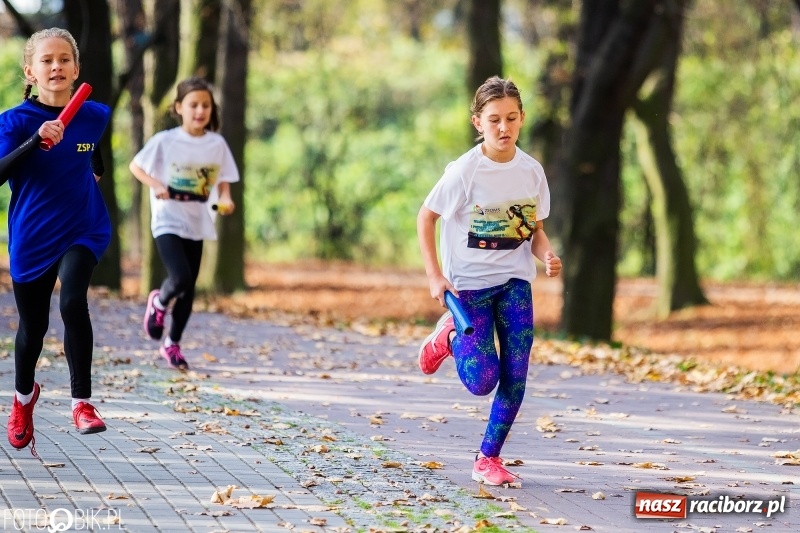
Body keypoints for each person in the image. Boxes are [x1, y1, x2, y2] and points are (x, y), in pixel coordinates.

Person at [417, 76, 562, 486]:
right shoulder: (465, 171)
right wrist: (435, 276)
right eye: (494, 119)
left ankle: (488, 458)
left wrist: (547, 254)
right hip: (470, 290)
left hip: (515, 285)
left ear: (522, 119)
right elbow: (426, 217)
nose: (504, 128)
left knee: (516, 376)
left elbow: (534, 231)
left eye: (511, 118)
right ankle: (447, 337)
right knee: (483, 381)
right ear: (478, 122)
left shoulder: (532, 172)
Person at [0, 28, 112, 455]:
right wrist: (36, 140)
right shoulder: (13, 123)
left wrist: (86, 179)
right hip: (32, 237)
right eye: (46, 60)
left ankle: (82, 403)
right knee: (33, 328)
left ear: (76, 68)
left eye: (64, 59)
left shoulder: (95, 114)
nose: (56, 67)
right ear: (30, 72)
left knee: (72, 301)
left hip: (83, 227)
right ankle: (22, 400)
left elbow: (92, 155)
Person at [130, 77, 239, 371]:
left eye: (205, 105)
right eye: (193, 105)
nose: (200, 111)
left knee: (189, 289)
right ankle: (159, 302)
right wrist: (156, 184)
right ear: (179, 108)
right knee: (179, 277)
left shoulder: (217, 144)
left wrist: (226, 200)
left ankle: (172, 344)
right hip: (167, 219)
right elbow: (136, 166)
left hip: (197, 221)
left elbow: (225, 182)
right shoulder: (166, 140)